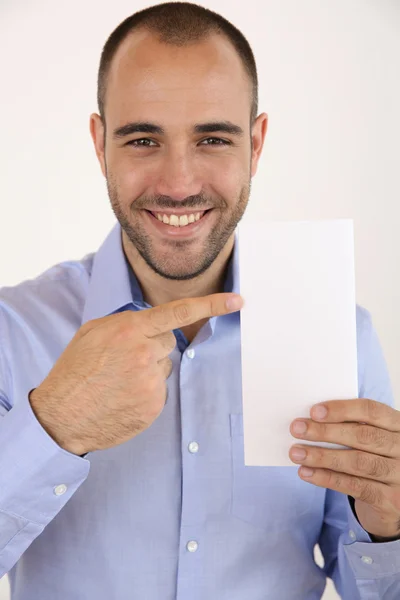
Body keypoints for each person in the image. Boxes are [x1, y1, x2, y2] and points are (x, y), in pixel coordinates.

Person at [0, 2, 399, 599]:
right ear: (99, 142)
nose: (179, 182)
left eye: (213, 138)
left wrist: (389, 526)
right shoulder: (12, 331)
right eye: (142, 139)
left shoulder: (343, 334)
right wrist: (53, 424)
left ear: (257, 145)